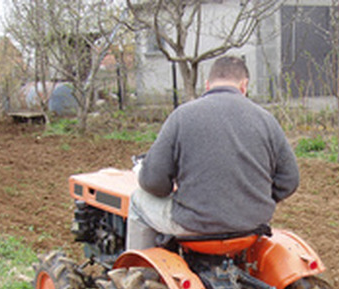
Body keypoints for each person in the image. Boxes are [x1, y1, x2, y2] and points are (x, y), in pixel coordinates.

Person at [127, 55, 299, 249]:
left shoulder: (182, 116)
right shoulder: (266, 120)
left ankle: (136, 273)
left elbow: (153, 182)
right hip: (252, 225)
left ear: (207, 85)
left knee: (136, 200)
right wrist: (256, 199)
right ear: (244, 85)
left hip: (195, 226)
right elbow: (290, 180)